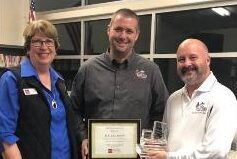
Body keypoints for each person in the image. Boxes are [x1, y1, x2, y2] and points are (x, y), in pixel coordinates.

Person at [70, 8, 169, 158]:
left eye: (129, 31)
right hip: (96, 154)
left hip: (136, 155)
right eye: (118, 29)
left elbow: (161, 111)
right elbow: (74, 110)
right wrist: (82, 136)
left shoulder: (151, 71)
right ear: (109, 30)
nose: (123, 36)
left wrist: (151, 141)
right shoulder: (88, 69)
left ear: (136, 35)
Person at [0, 20, 86, 159]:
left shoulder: (59, 81)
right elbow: (5, 134)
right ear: (28, 48)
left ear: (55, 47)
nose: (44, 46)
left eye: (49, 41)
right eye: (37, 42)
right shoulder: (13, 79)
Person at [147, 38, 237, 159]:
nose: (187, 64)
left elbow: (215, 152)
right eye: (181, 59)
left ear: (207, 60)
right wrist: (154, 146)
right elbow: (163, 139)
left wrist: (168, 157)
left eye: (193, 57)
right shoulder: (173, 99)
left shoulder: (224, 97)